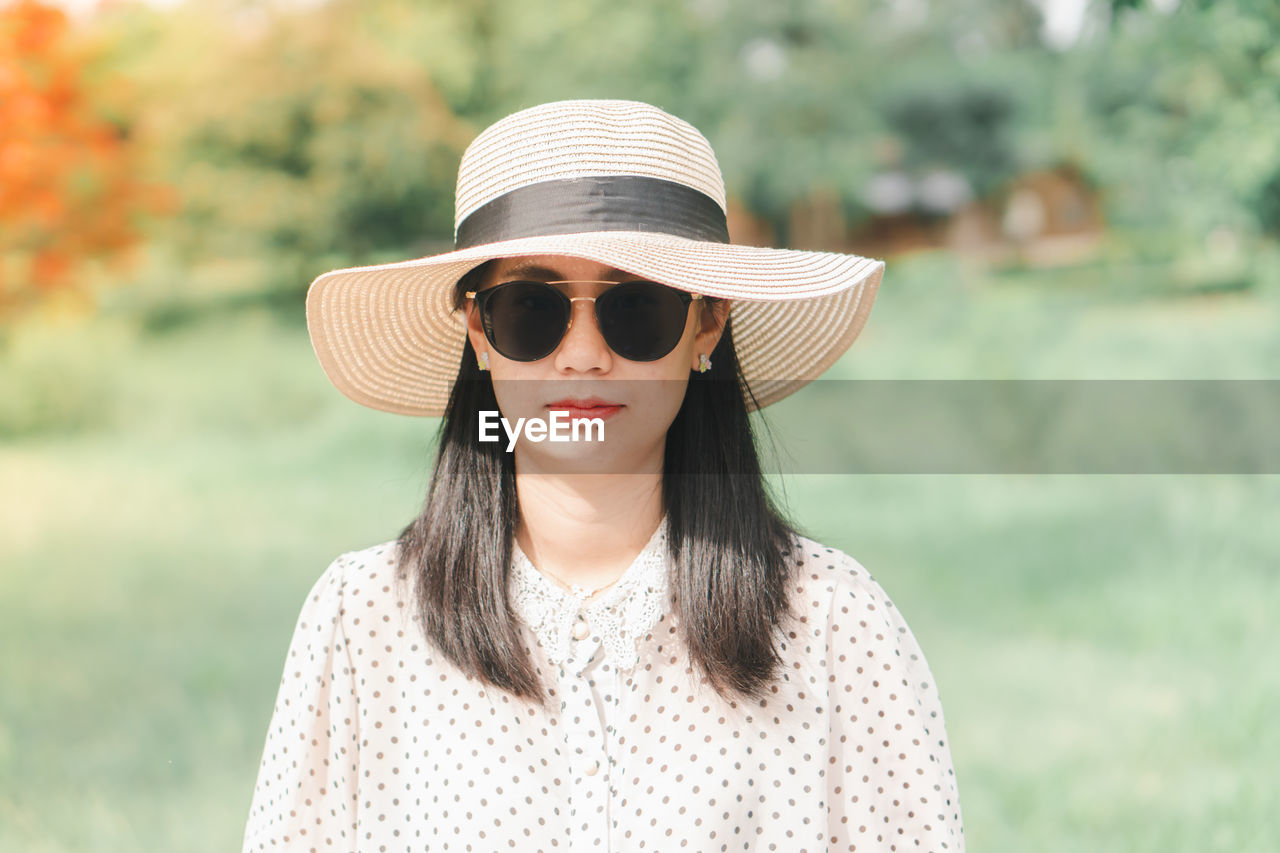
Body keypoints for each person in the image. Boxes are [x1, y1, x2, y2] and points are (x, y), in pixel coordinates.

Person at [242, 99, 963, 852]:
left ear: (706, 325)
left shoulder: (834, 622)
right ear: (479, 331)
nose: (583, 355)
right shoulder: (363, 619)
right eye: (531, 307)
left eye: (637, 307)